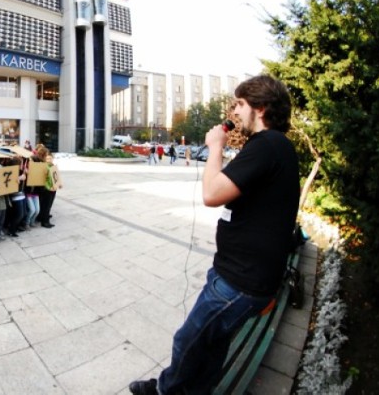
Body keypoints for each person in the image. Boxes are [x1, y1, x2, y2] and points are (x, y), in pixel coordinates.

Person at [128, 75, 300, 395]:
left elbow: (212, 192)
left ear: (260, 108)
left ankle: (164, 391)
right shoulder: (274, 147)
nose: (234, 111)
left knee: (188, 339)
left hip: (241, 280)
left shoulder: (267, 145)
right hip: (240, 272)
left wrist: (215, 147)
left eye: (240, 104)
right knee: (212, 343)